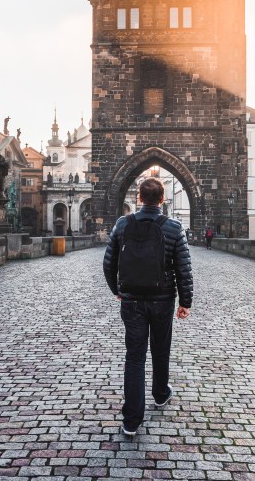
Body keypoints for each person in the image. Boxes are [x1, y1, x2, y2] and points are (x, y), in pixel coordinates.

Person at [103, 177, 193, 437]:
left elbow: (109, 263)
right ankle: (160, 393)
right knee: (160, 349)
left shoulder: (122, 224)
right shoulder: (174, 227)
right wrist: (185, 302)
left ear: (140, 199)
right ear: (162, 200)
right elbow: (183, 269)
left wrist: (117, 291)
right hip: (163, 300)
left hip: (131, 301)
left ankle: (131, 420)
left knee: (134, 357)